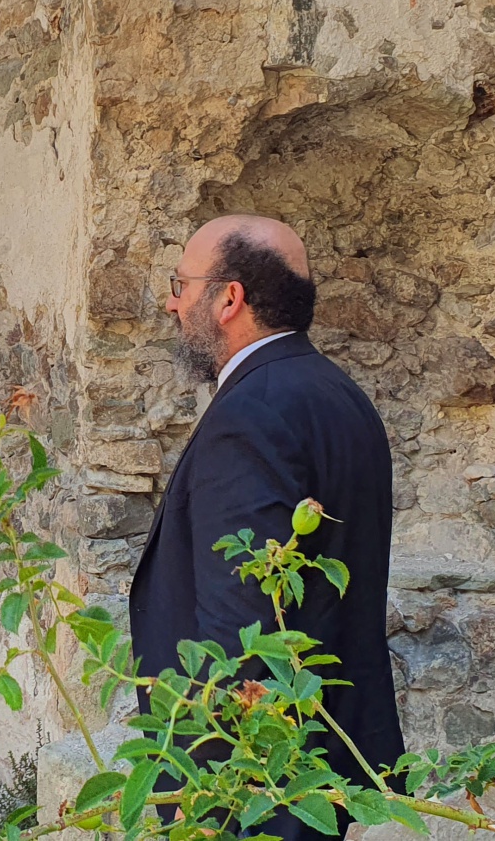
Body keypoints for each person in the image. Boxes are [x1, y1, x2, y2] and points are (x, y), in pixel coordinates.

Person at [128, 215, 404, 840]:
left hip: (256, 782)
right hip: (321, 757)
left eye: (181, 284)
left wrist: (216, 794)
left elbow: (241, 622)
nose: (172, 302)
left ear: (230, 298)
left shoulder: (249, 414)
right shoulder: (339, 394)